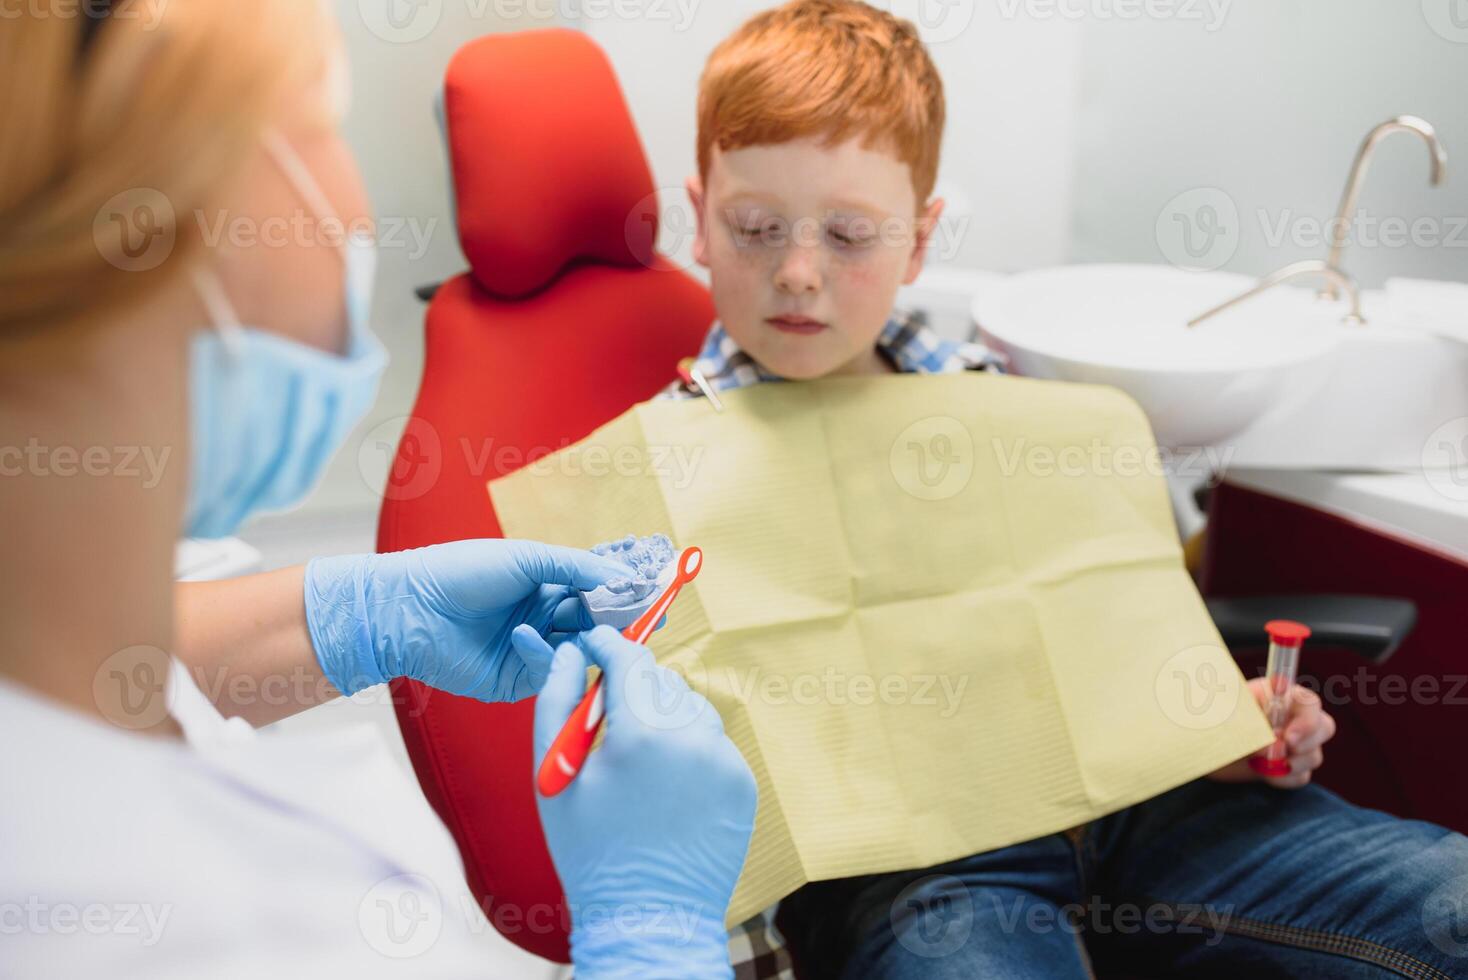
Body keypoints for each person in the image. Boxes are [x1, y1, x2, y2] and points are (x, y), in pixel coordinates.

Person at [668, 2, 1468, 977]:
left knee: (1448, 902)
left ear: (918, 241)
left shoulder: (999, 398)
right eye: (756, 227)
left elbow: (1107, 635)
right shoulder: (677, 468)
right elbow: (680, 786)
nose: (798, 272)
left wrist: (1219, 720)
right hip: (926, 862)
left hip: (1150, 804)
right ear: (700, 216)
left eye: (848, 233)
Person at [0, 3, 754, 977]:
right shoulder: (175, 930)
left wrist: (363, 615)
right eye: (322, 119)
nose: (351, 200)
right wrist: (651, 934)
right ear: (143, 220)